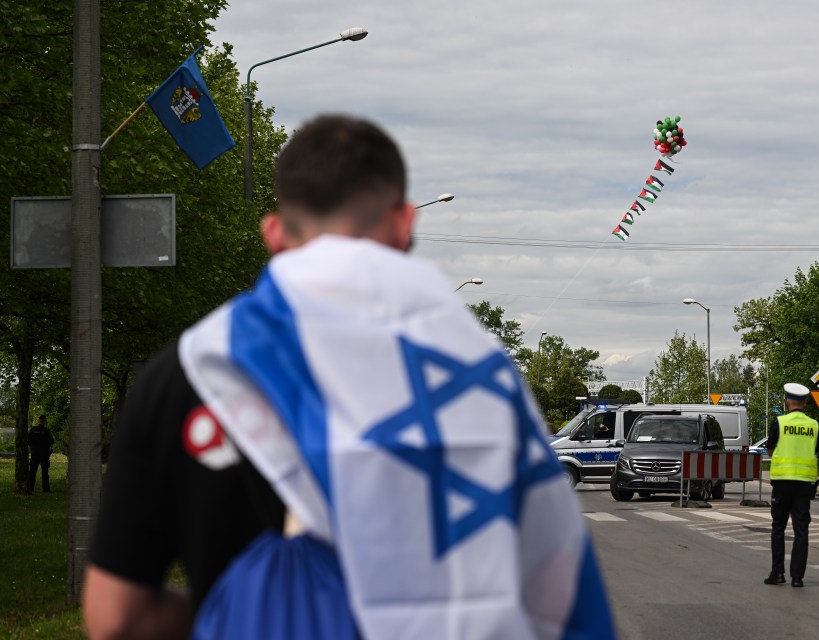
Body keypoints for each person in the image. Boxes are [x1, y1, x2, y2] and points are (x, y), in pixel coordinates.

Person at [82, 115, 613, 640]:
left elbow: (115, 617)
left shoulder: (192, 370)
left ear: (274, 233)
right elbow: (557, 593)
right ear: (405, 223)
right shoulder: (485, 377)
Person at [764, 383, 819, 588]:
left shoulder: (780, 421)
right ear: (805, 402)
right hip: (805, 483)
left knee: (778, 527)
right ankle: (798, 577)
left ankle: (777, 573)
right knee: (801, 529)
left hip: (782, 481)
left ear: (787, 401)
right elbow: (815, 450)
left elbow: (769, 449)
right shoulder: (813, 425)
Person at [27, 414, 54, 494]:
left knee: (32, 472)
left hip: (35, 453)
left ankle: (30, 488)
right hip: (44, 454)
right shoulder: (46, 431)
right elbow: (51, 441)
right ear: (45, 421)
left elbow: (29, 440)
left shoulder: (33, 430)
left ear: (38, 421)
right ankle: (46, 489)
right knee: (45, 472)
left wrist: (34, 447)